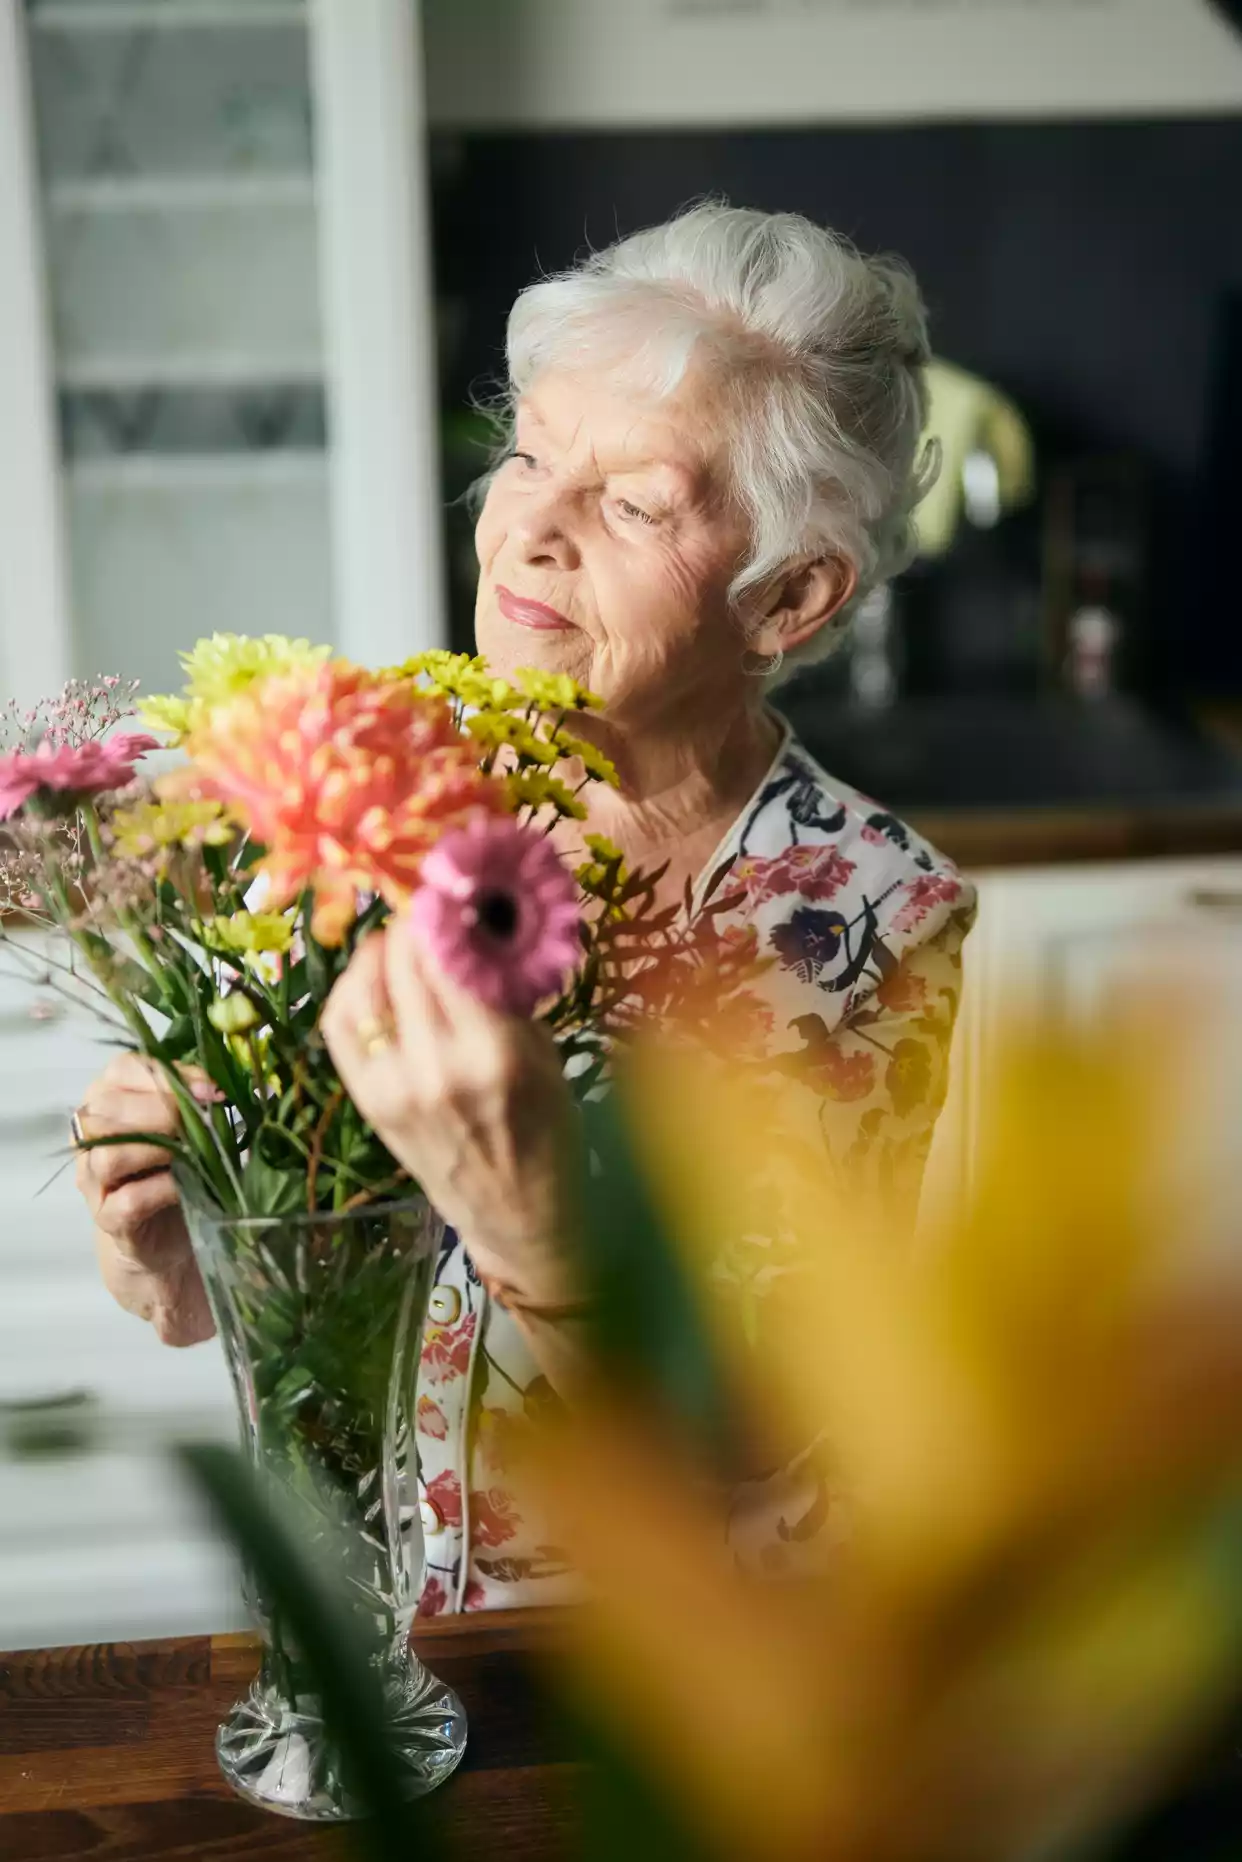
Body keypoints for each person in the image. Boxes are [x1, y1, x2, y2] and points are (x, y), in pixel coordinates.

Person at [75, 202, 976, 1612]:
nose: (529, 531)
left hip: (673, 1665)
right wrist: (183, 1237)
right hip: (379, 1622)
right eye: (529, 455)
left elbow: (768, 1438)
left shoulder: (869, 912)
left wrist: (538, 1224)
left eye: (632, 504)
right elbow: (267, 1293)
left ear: (789, 595)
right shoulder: (373, 790)